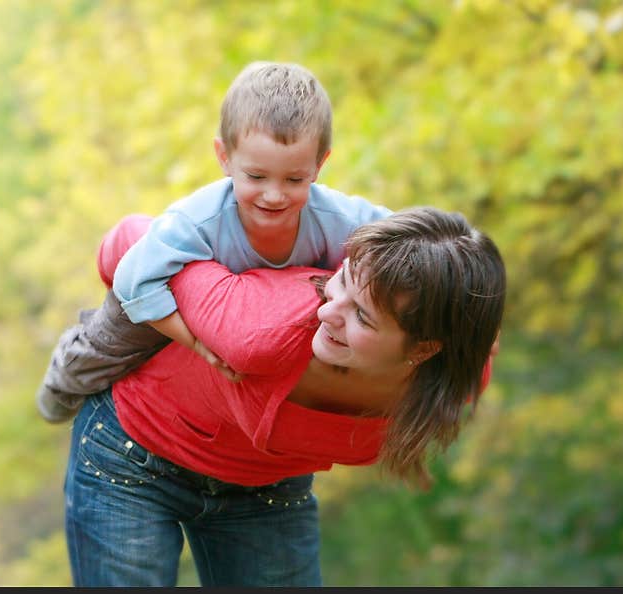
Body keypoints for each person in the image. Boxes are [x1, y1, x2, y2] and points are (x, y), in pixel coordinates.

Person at [64, 206, 506, 586]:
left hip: (264, 490)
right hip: (133, 455)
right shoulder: (259, 324)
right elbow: (136, 238)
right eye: (342, 282)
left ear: (427, 349)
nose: (327, 312)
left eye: (363, 318)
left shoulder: (456, 379)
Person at [36, 60, 391, 422]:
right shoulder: (198, 218)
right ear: (225, 157)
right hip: (171, 294)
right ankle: (59, 386)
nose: (274, 195)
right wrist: (196, 344)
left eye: (294, 180)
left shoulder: (338, 218)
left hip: (242, 316)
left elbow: (402, 234)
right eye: (256, 176)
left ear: (319, 165)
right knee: (116, 345)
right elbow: (134, 279)